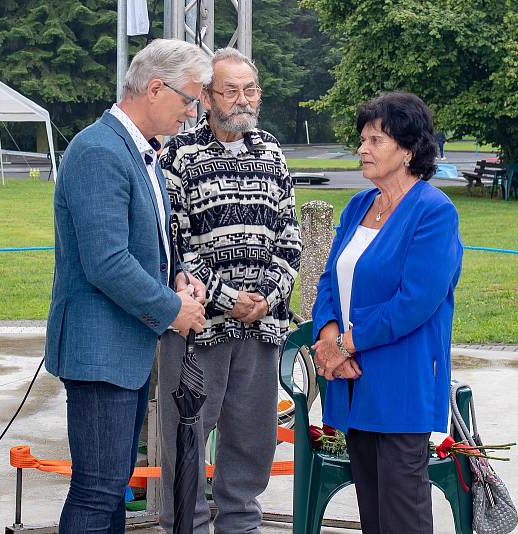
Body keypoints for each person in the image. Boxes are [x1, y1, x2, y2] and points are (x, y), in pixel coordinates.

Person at [44, 38, 212, 534]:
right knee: (97, 492)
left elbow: (149, 237)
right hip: (101, 351)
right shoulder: (99, 150)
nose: (192, 113)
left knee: (109, 488)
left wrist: (177, 275)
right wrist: (172, 309)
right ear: (155, 89)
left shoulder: (138, 151)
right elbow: (107, 262)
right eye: (188, 100)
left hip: (123, 350)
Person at [158, 47, 302, 534]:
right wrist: (227, 298)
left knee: (252, 445)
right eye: (231, 90)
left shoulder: (272, 151)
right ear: (207, 97)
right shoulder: (178, 154)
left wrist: (265, 296)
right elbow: (175, 245)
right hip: (199, 330)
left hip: (262, 329)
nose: (243, 100)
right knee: (187, 440)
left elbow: (290, 236)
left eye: (251, 89)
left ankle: (242, 527)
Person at [311, 92, 463, 534]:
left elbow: (415, 302)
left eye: (376, 140)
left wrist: (343, 345)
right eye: (363, 139)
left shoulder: (434, 212)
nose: (363, 149)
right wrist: (328, 336)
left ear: (409, 149)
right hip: (352, 377)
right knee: (373, 512)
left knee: (402, 511)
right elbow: (328, 279)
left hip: (400, 378)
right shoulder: (359, 205)